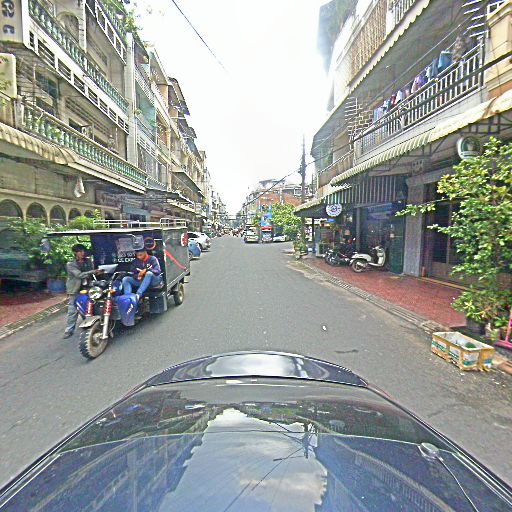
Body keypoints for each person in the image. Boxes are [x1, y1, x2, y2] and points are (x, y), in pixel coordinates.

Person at [63, 244, 102, 339]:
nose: (82, 253)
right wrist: (93, 271)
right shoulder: (70, 264)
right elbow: (79, 275)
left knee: (92, 303)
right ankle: (69, 330)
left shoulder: (88, 261)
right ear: (75, 253)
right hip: (75, 289)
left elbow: (91, 273)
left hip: (87, 286)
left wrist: (98, 272)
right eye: (80, 251)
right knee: (73, 310)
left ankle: (93, 323)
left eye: (83, 251)